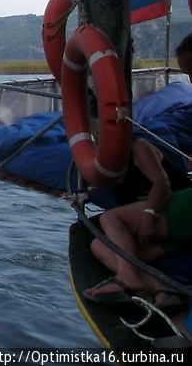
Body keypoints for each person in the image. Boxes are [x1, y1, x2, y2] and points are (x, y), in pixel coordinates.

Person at [83, 34, 192, 311]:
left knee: (110, 219)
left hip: (176, 208)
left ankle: (128, 280)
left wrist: (148, 215)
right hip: (168, 231)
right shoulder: (107, 162)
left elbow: (162, 185)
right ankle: (162, 289)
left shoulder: (138, 147)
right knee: (101, 247)